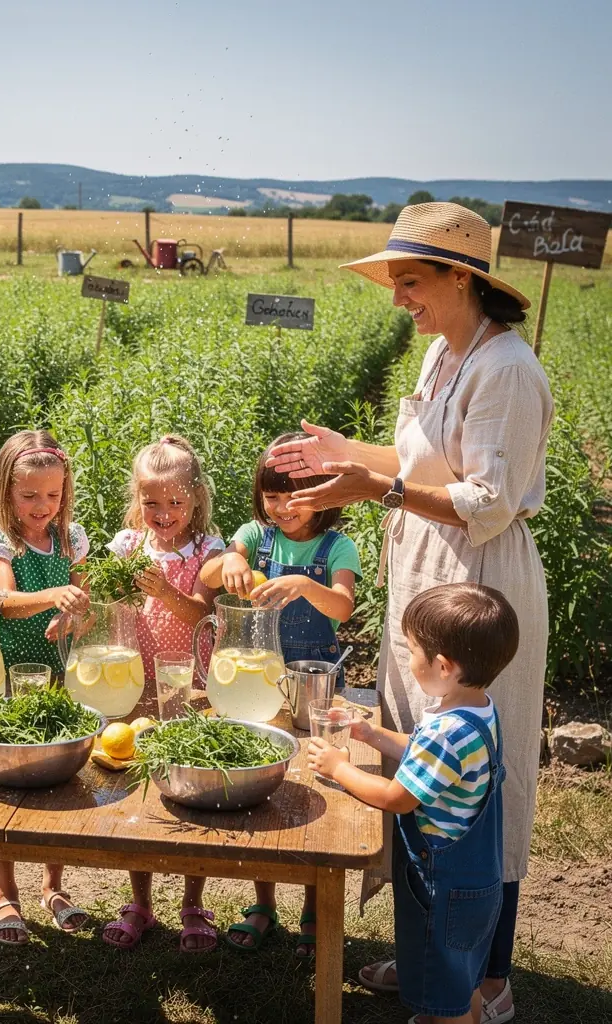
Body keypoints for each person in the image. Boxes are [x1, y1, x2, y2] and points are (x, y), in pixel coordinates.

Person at [268, 202, 551, 1021]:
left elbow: (488, 501)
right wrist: (348, 455)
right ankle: (431, 954)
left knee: (488, 785)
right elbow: (421, 458)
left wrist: (377, 488)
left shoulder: (507, 371)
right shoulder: (442, 352)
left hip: (479, 578)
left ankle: (487, 977)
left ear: (463, 278)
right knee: (421, 765)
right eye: (396, 281)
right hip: (429, 567)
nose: (400, 298)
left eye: (412, 281)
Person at [308, 583, 518, 1024]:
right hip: (476, 879)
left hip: (443, 885)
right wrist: (372, 734)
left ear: (443, 666)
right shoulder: (476, 710)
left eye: (413, 651)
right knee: (462, 979)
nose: (410, 659)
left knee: (445, 986)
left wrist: (340, 768)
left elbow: (397, 798)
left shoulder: (446, 733)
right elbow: (424, 755)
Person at [200, 434, 361, 956]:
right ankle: (263, 902)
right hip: (259, 683)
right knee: (262, 789)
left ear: (325, 493)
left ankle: (315, 906)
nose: (282, 506)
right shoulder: (253, 535)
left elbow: (342, 607)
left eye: (296, 493)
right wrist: (228, 563)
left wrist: (302, 585)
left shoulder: (337, 548)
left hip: (314, 689)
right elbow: (211, 573)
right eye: (272, 495)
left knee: (317, 791)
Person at [100, 435, 225, 953]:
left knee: (191, 793)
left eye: (175, 502)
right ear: (137, 500)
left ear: (195, 497)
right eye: (151, 502)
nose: (163, 512)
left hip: (190, 688)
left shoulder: (208, 551)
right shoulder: (127, 547)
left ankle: (193, 901)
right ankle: (140, 901)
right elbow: (98, 592)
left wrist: (166, 592)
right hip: (136, 688)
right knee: (141, 793)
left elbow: (202, 615)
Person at [0, 429, 92, 944]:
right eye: (29, 495)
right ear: (6, 491)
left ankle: (53, 885)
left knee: (56, 780)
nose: (42, 506)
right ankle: (5, 893)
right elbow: (4, 601)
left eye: (53, 494)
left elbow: (86, 606)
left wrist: (75, 616)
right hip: (7, 678)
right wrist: (56, 596)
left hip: (58, 678)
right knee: (7, 785)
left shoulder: (74, 539)